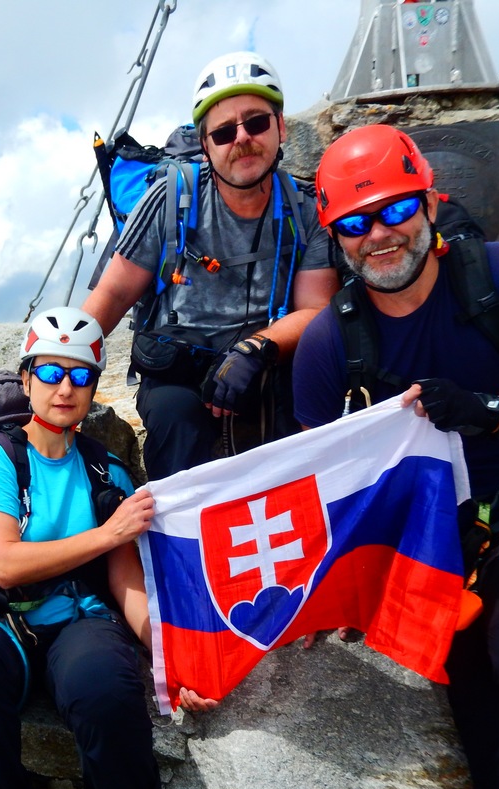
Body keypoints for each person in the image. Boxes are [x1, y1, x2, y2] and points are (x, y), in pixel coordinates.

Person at [293, 124, 499, 789]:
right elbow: (316, 482)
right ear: (336, 239)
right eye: (355, 224)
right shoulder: (331, 344)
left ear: (430, 203)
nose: (379, 235)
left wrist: (493, 411)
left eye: (395, 209)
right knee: (487, 728)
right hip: (425, 549)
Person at [0, 307, 211, 789]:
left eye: (80, 375)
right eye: (51, 372)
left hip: (78, 615)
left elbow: (125, 579)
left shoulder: (108, 471)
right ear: (26, 378)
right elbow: (3, 563)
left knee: (105, 685)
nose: (65, 388)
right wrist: (107, 534)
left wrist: (170, 653)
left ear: (93, 387)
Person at [83, 50, 338, 480]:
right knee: (175, 420)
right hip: (178, 367)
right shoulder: (170, 199)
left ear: (280, 127)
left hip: (265, 360)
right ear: (205, 144)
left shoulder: (305, 209)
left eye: (256, 123)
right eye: (223, 132)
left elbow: (317, 309)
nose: (242, 138)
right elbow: (114, 293)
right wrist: (65, 363)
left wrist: (255, 349)